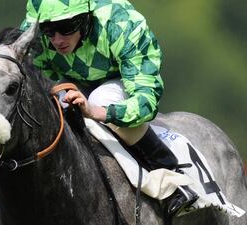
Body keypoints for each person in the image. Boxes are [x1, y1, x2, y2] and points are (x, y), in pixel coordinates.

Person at [21, 0, 198, 217]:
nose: (57, 39)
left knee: (101, 97)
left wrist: (96, 111)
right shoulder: (34, 31)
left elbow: (146, 103)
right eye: (49, 29)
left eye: (66, 27)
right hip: (67, 82)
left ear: (85, 17)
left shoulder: (122, 24)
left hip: (123, 80)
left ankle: (171, 178)